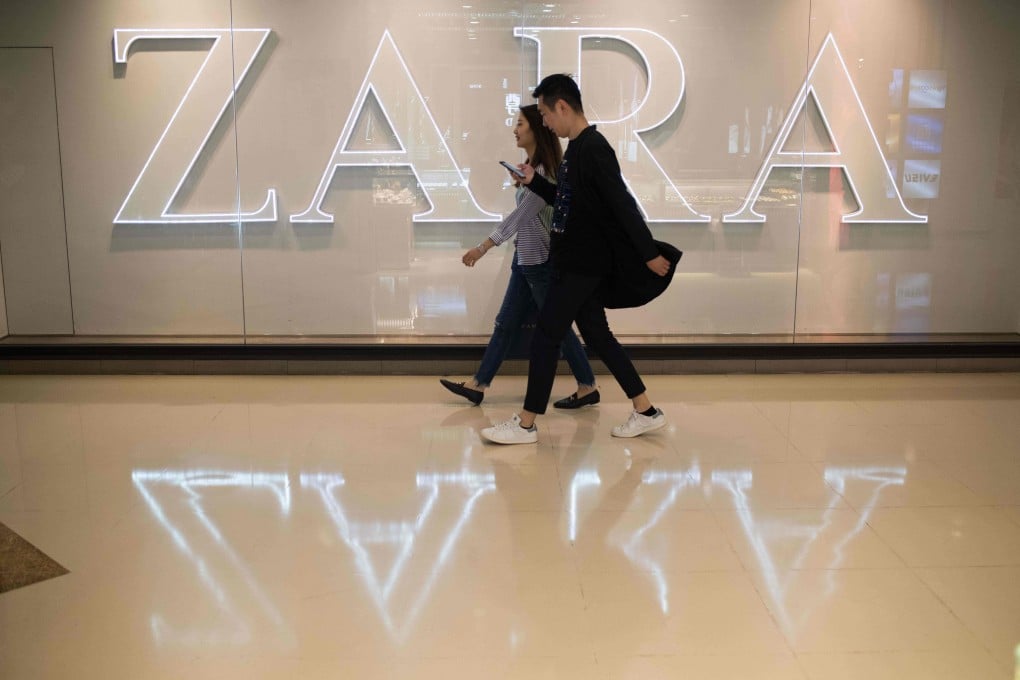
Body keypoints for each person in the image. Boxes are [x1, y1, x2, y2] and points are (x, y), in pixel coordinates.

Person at [481, 74, 670, 445]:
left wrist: (649, 254)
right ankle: (646, 410)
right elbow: (569, 203)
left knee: (547, 337)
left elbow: (622, 204)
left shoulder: (593, 148)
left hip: (583, 265)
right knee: (598, 336)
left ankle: (525, 424)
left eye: (546, 115)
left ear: (563, 107)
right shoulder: (578, 150)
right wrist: (534, 181)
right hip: (579, 264)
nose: (545, 124)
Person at [440, 105, 599, 409]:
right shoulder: (532, 168)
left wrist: (483, 247)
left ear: (536, 129)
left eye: (520, 123)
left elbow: (520, 217)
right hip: (525, 260)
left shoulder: (544, 174)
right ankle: (478, 385)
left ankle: (587, 385)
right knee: (505, 325)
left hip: (539, 262)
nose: (515, 129)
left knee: (557, 328)